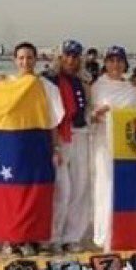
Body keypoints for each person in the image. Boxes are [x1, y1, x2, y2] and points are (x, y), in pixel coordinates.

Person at [0, 41, 66, 256]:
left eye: (29, 58)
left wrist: (55, 148)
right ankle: (12, 239)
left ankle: (33, 238)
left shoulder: (48, 88)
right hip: (12, 145)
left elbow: (54, 121)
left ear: (35, 60)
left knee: (37, 193)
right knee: (13, 193)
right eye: (21, 58)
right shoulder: (6, 85)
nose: (25, 62)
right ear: (14, 60)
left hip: (39, 144)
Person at [43, 40, 95, 253]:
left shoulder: (84, 82)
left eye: (75, 56)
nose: (71, 60)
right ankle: (53, 236)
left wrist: (95, 116)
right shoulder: (49, 81)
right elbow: (50, 115)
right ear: (60, 57)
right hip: (60, 138)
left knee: (80, 187)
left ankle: (72, 236)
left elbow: (87, 110)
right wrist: (54, 146)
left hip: (81, 135)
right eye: (67, 56)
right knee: (61, 190)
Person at [89, 45, 136, 248]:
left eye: (119, 61)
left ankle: (123, 230)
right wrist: (97, 114)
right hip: (104, 142)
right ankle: (103, 234)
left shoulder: (134, 91)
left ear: (125, 64)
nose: (115, 65)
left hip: (126, 145)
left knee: (124, 188)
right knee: (104, 186)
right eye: (111, 60)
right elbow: (89, 117)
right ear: (105, 63)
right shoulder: (97, 87)